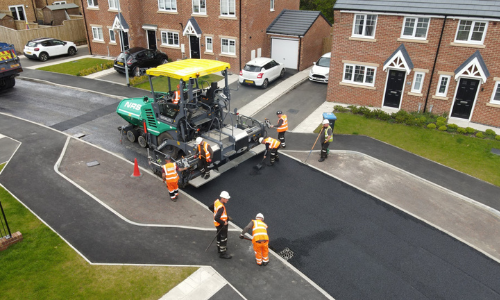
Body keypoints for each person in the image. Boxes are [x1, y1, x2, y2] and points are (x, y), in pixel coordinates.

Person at [208, 191, 232, 259]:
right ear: (223, 198)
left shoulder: (217, 202)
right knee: (223, 238)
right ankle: (222, 253)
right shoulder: (221, 207)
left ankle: (219, 248)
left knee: (219, 235)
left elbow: (210, 207)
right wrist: (223, 222)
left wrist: (215, 212)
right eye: (227, 198)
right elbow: (216, 218)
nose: (227, 200)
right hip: (221, 225)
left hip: (217, 224)